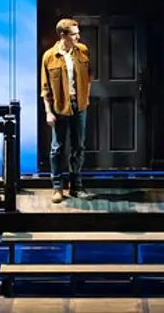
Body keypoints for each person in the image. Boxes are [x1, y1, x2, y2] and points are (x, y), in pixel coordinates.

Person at [40, 17, 93, 204]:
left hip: (79, 106)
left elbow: (89, 77)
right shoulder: (49, 56)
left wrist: (85, 98)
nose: (78, 37)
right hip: (60, 107)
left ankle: (76, 186)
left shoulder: (83, 51)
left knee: (79, 146)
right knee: (57, 148)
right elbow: (45, 88)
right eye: (74, 34)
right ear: (63, 35)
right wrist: (48, 111)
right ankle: (57, 187)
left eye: (78, 33)